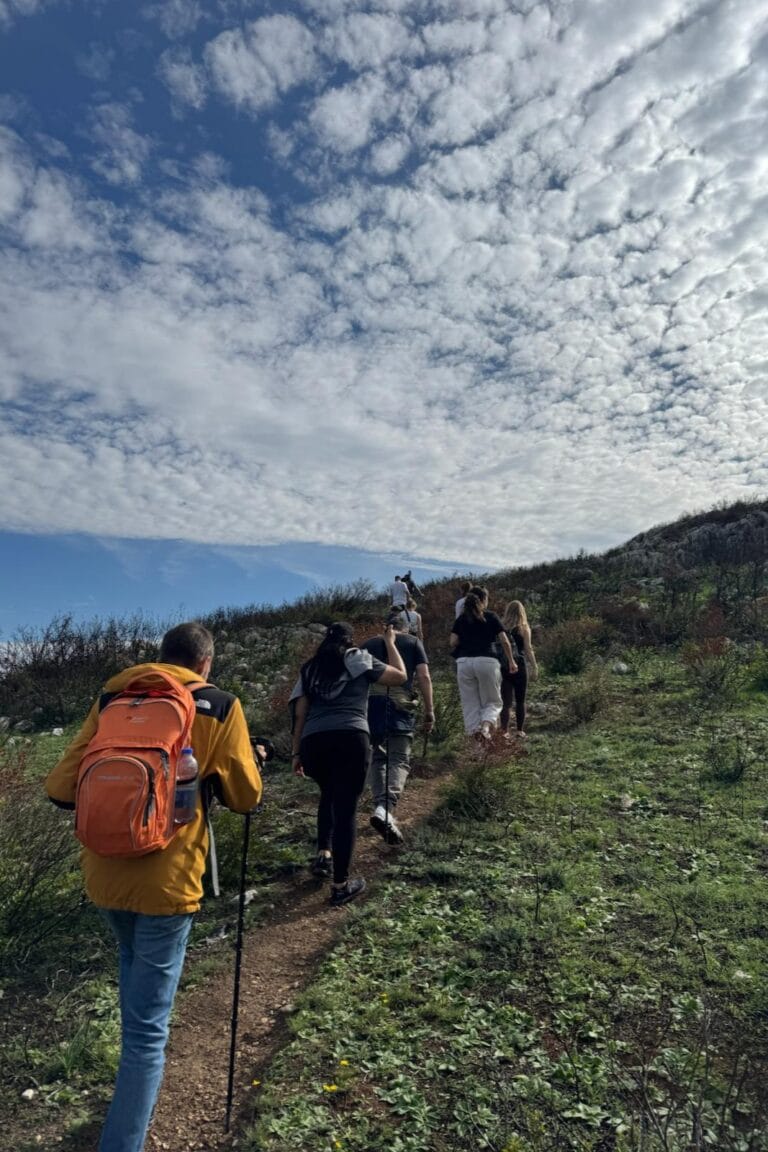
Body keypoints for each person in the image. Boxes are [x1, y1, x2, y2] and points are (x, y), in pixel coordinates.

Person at [44, 622, 263, 1152]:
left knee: (134, 983)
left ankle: (126, 1099)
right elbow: (245, 796)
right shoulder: (218, 705)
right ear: (205, 664)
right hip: (167, 884)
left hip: (103, 871)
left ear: (160, 657)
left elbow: (60, 787)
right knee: (147, 1033)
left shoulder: (114, 698)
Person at [290, 621, 406, 906]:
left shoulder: (310, 668)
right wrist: (390, 642)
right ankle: (340, 885)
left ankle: (323, 854)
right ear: (349, 640)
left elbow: (300, 713)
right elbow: (399, 677)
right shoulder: (357, 657)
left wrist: (296, 753)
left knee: (327, 794)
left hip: (313, 741)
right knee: (346, 809)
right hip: (351, 736)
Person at [362, 610, 434, 844]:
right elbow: (423, 676)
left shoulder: (368, 644)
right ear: (407, 626)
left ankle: (381, 808)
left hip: (371, 706)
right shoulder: (413, 642)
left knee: (378, 759)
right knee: (399, 760)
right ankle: (385, 808)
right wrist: (430, 710)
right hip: (400, 707)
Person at [450, 588, 516, 739]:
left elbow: (452, 641)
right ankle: (485, 728)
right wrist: (511, 661)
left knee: (470, 705)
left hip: (464, 662)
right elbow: (505, 641)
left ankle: (477, 748)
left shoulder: (461, 619)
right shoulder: (491, 616)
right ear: (483, 600)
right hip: (487, 661)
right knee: (493, 701)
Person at [499, 600, 539, 739]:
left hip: (503, 666)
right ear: (522, 612)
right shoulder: (524, 628)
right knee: (520, 700)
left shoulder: (501, 627)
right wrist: (534, 665)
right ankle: (520, 730)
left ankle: (504, 731)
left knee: (506, 701)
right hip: (520, 665)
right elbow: (528, 649)